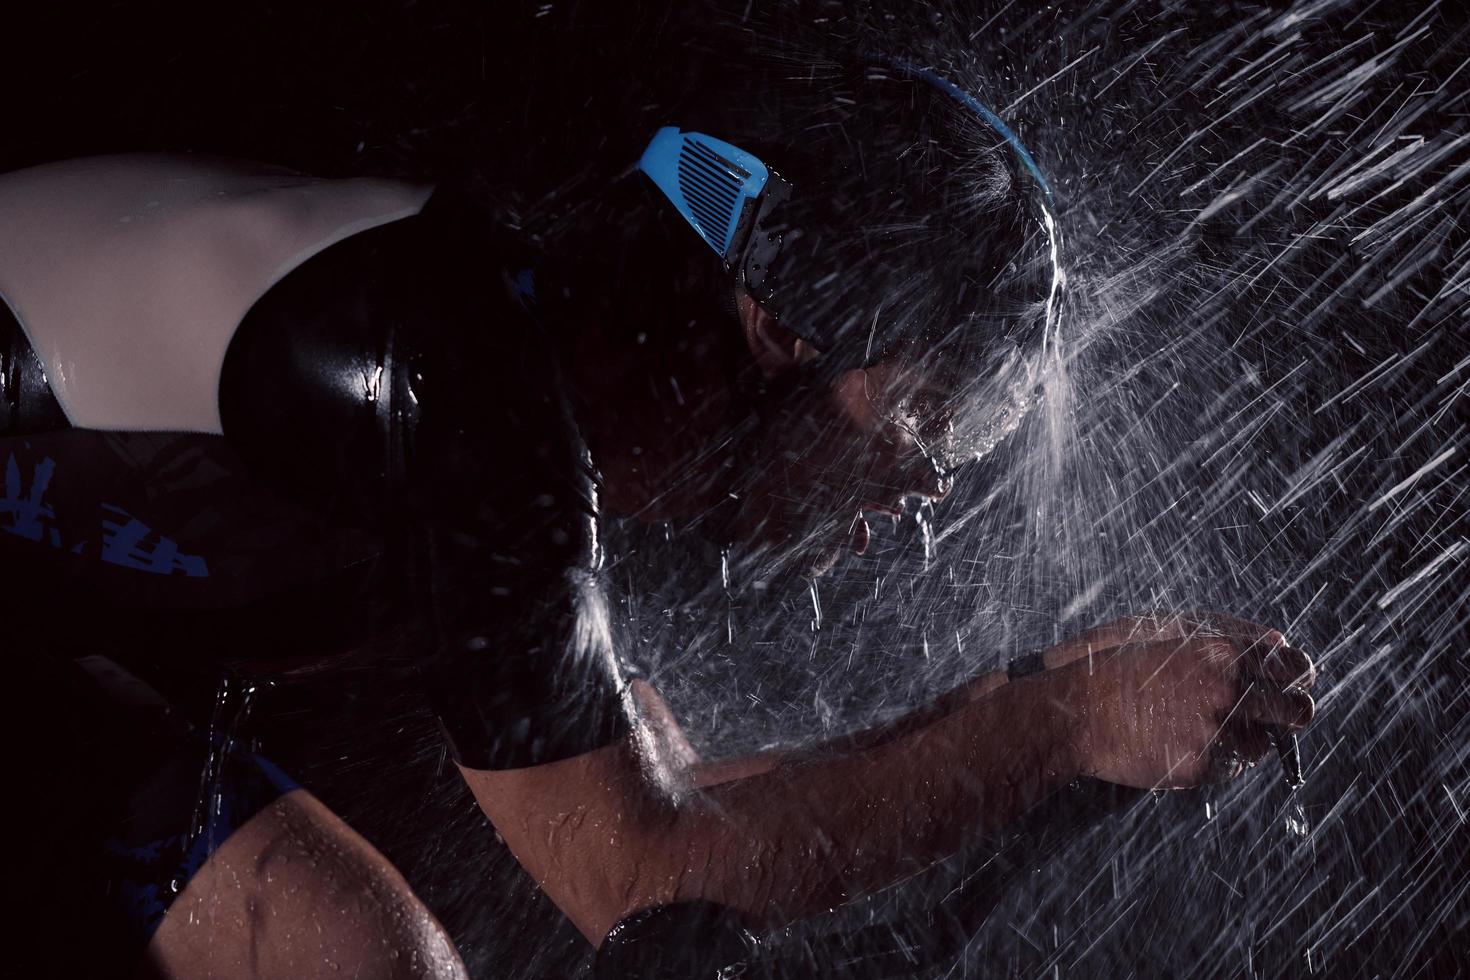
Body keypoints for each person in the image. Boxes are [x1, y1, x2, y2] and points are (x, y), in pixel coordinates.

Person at [0, 55, 1315, 979]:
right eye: (939, 416)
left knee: (345, 955)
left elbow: (672, 813)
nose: (931, 490)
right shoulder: (468, 393)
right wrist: (1056, 723)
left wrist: (1054, 709)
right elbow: (643, 873)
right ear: (779, 324)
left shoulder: (531, 395)